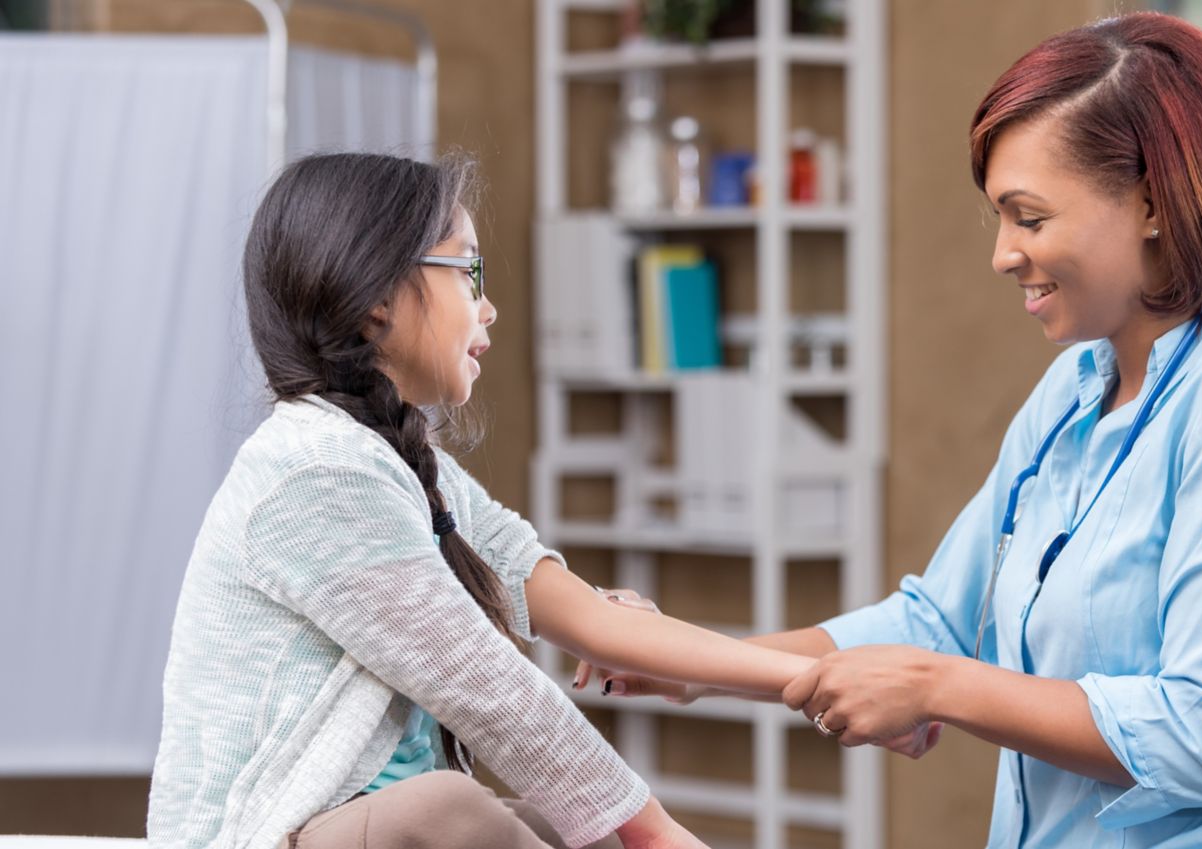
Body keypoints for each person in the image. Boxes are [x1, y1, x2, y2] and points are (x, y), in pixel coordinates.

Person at [594, 12, 1202, 848]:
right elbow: (937, 620)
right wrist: (694, 665)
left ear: (1151, 202)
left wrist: (939, 687)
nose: (1003, 254)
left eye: (1029, 217)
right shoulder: (1076, 390)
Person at [146, 152, 816, 849]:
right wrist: (657, 833)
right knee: (446, 809)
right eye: (470, 272)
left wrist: (813, 679)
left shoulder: (400, 463)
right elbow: (487, 687)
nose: (488, 306)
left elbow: (590, 618)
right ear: (377, 298)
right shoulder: (315, 473)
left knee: (567, 825)